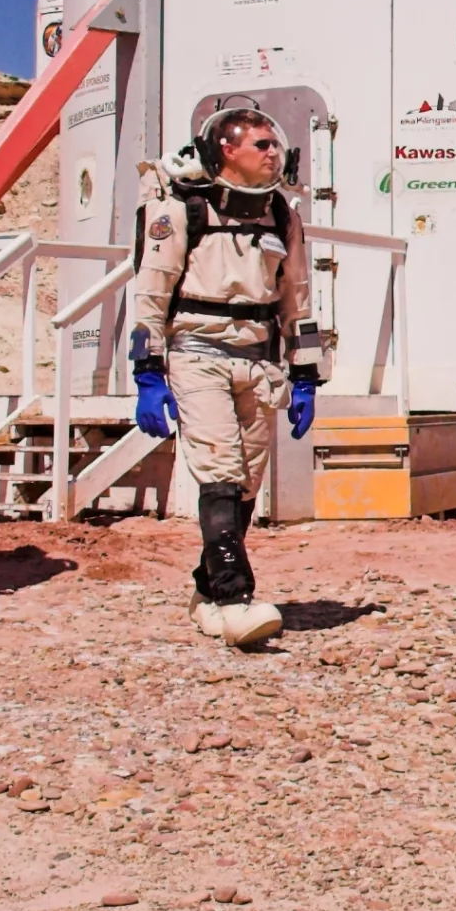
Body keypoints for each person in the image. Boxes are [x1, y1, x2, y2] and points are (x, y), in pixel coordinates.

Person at [128, 103, 324, 648]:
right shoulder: (184, 210)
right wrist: (148, 372)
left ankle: (207, 590)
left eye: (274, 144)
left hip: (258, 359)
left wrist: (307, 376)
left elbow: (298, 299)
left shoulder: (282, 216)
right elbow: (150, 290)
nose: (272, 153)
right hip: (197, 352)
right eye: (259, 145)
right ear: (226, 151)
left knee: (246, 482)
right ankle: (237, 596)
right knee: (218, 468)